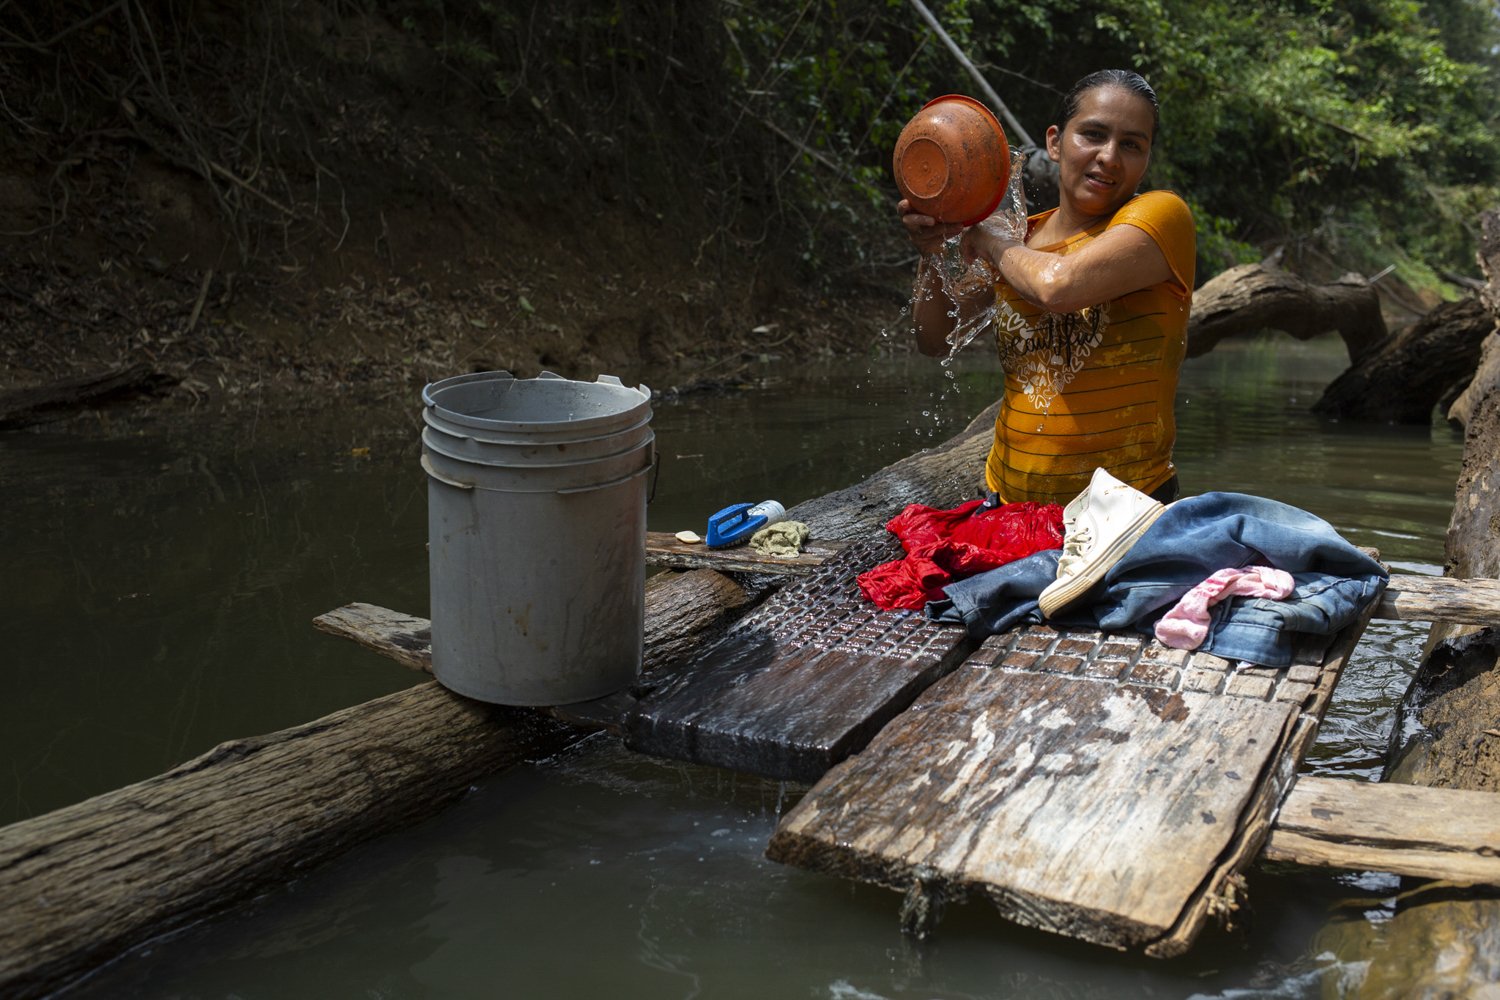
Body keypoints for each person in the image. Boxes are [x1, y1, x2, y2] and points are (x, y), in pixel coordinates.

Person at [901, 69, 1196, 507]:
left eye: (1131, 144)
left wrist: (992, 240)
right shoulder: (1021, 241)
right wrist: (931, 250)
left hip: (1125, 513)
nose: (1109, 157)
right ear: (1055, 143)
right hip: (1007, 504)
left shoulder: (1160, 218)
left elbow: (1059, 287)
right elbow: (935, 337)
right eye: (1093, 134)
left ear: (1147, 159)